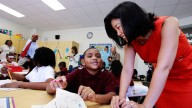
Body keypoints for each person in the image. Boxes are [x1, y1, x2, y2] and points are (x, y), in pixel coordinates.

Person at [104, 1, 192, 108]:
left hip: (187, 77)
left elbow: (163, 67)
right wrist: (121, 98)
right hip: (161, 82)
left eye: (118, 27)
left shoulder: (168, 23)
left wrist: (145, 105)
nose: (118, 33)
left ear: (131, 20)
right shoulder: (131, 41)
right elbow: (127, 69)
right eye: (115, 30)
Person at [46, 47, 116, 104]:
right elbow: (48, 89)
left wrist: (95, 97)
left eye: (98, 56)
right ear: (83, 62)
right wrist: (55, 84)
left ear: (101, 61)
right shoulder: (77, 73)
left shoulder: (107, 75)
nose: (94, 58)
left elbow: (112, 95)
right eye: (90, 56)